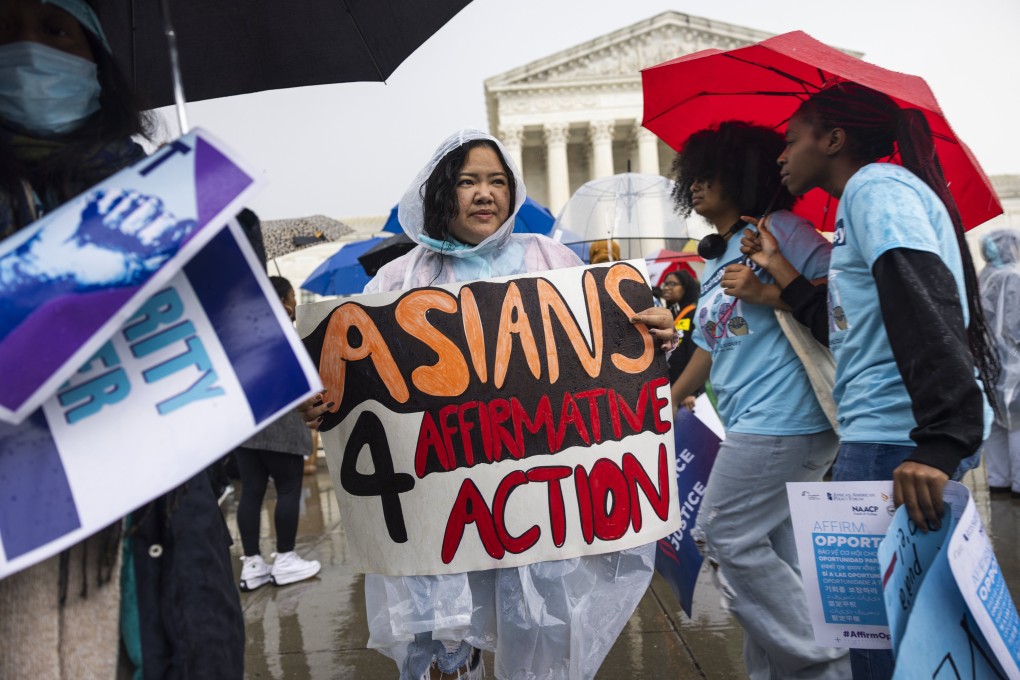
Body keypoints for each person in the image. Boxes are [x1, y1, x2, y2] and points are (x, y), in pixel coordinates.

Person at [302, 129, 677, 680]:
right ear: (438, 194)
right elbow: (348, 385)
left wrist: (656, 334)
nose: (485, 193)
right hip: (441, 511)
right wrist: (318, 399)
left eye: (497, 181)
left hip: (539, 509)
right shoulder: (398, 280)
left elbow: (612, 352)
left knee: (542, 631)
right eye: (467, 181)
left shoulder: (551, 261)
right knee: (444, 638)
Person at [0, 2, 244, 677]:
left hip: (159, 542)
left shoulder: (163, 200)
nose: (27, 52)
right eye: (4, 28)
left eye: (54, 29)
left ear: (95, 61)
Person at [738, 82, 998, 680]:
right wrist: (781, 267)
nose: (781, 155)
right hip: (882, 437)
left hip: (896, 444)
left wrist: (940, 440)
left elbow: (920, 296)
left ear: (833, 139)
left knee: (886, 647)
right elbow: (851, 333)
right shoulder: (866, 202)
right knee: (894, 639)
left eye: (791, 139)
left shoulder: (873, 187)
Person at [667, 121, 849, 680]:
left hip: (786, 420)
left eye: (708, 174)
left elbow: (838, 306)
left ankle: (831, 665)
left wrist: (768, 290)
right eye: (690, 177)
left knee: (722, 536)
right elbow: (706, 348)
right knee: (776, 556)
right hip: (751, 420)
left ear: (742, 174)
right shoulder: (719, 258)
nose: (695, 186)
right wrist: (664, 406)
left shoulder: (786, 232)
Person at [236, 276, 321, 590]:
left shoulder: (243, 333)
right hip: (282, 425)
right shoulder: (284, 333)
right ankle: (285, 559)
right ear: (285, 300)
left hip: (248, 427)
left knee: (251, 491)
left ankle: (252, 564)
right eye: (294, 296)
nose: (297, 303)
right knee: (288, 489)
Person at [978, 229, 1020, 496]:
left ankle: (998, 480)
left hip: (988, 362)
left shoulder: (985, 276)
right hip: (1014, 365)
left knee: (994, 422)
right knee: (1017, 424)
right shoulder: (1013, 277)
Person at [660, 269, 700, 386]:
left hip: (690, 390)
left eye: (672, 284)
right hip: (669, 384)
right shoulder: (668, 315)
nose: (666, 288)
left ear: (685, 288)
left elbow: (696, 353)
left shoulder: (694, 314)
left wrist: (692, 390)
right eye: (665, 284)